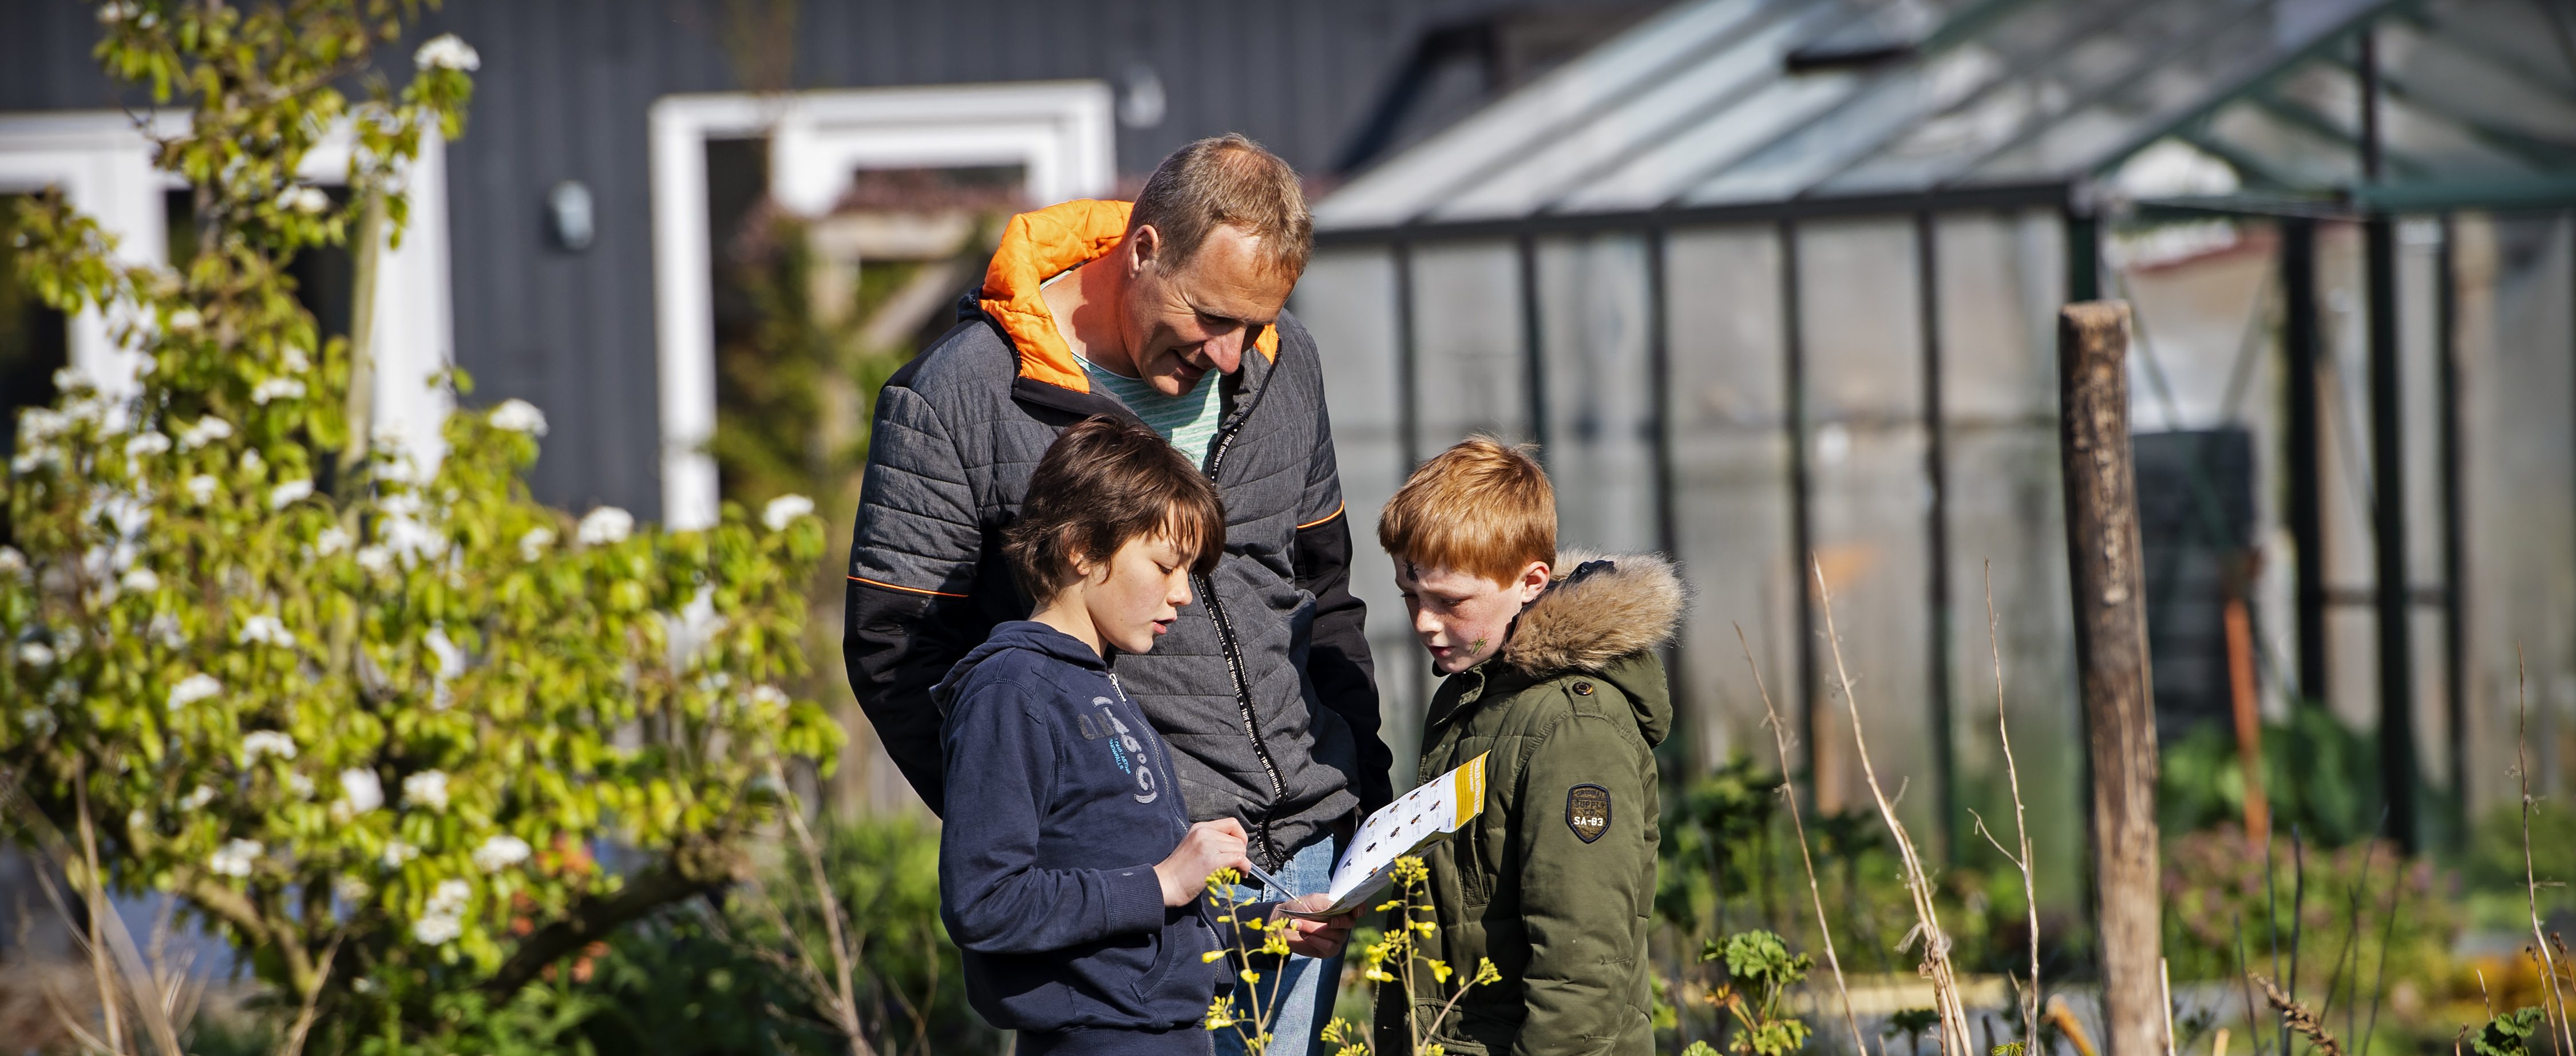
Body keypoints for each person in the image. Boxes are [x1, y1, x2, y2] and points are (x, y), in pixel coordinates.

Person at [847, 135, 1386, 1054]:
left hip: (1305, 859)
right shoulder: (961, 395)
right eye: (1211, 316)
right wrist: (1067, 845)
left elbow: (1321, 588)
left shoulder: (1286, 359)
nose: (1228, 355)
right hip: (1139, 885)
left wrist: (1359, 787)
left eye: (1253, 325)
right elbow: (897, 647)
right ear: (1142, 251)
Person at [936, 417, 1354, 1055]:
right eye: (1165, 565)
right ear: (1080, 547)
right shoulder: (1012, 690)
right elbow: (987, 902)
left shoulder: (1103, 687)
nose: (1183, 594)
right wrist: (1163, 880)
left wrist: (1264, 928)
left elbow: (1139, 913)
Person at [1368, 438, 1679, 1056]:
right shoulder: (1480, 693)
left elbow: (1581, 972)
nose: (1424, 622)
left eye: (1449, 601)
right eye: (1410, 595)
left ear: (1531, 581)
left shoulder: (1574, 730)